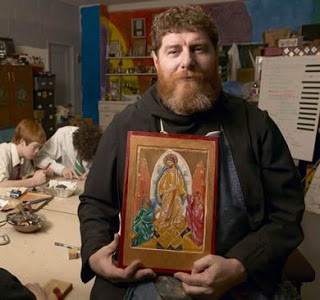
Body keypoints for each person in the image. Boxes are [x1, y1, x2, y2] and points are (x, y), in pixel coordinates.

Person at [78, 5, 304, 300]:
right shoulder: (126, 124)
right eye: (174, 51)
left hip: (234, 273)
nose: (188, 61)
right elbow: (95, 202)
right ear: (156, 61)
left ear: (216, 57)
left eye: (198, 48)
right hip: (143, 271)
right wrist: (96, 252)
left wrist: (240, 265)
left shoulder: (255, 125)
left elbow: (286, 214)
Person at [35, 123, 102, 180]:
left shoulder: (100, 144)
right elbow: (40, 157)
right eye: (81, 154)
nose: (83, 157)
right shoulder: (63, 135)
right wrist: (61, 169)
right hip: (65, 181)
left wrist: (95, 172)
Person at [0, 118, 49, 188]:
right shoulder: (2, 152)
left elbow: (27, 179)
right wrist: (34, 181)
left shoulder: (25, 156)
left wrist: (42, 176)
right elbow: (1, 185)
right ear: (22, 142)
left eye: (39, 147)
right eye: (35, 147)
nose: (37, 151)